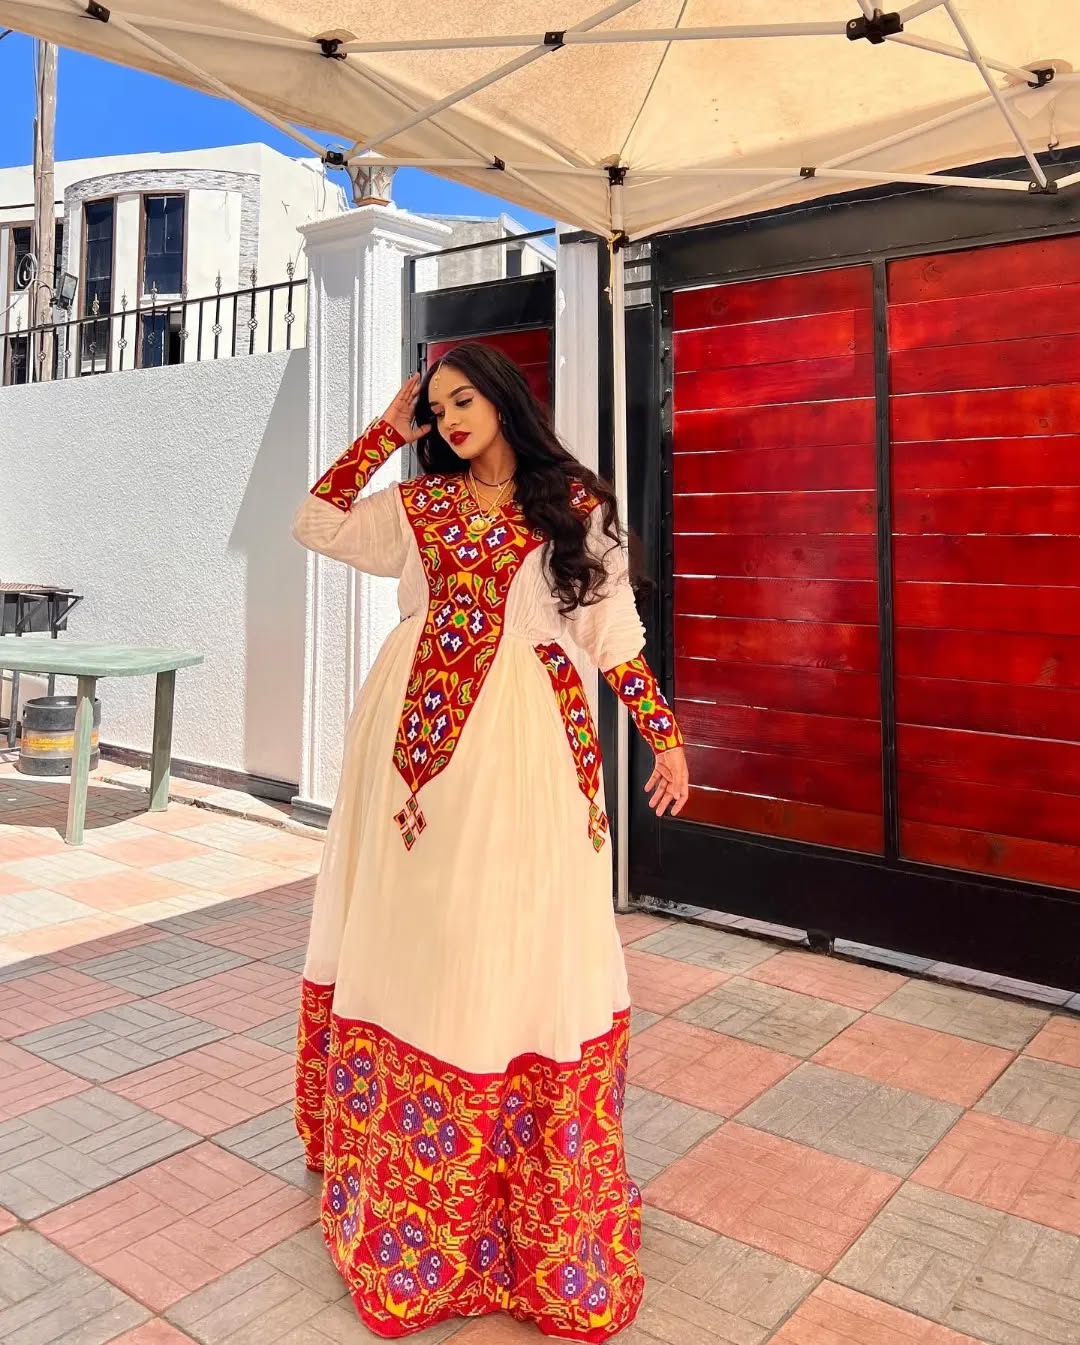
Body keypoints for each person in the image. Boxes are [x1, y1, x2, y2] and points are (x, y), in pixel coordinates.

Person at [291, 343, 689, 1341]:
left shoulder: (572, 501)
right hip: (406, 762)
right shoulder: (418, 509)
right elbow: (316, 518)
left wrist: (667, 738)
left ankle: (518, 1200)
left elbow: (618, 638)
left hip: (527, 761)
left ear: (506, 399)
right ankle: (415, 1186)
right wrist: (384, 437)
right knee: (420, 942)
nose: (451, 417)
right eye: (436, 405)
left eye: (463, 398)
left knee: (512, 938)